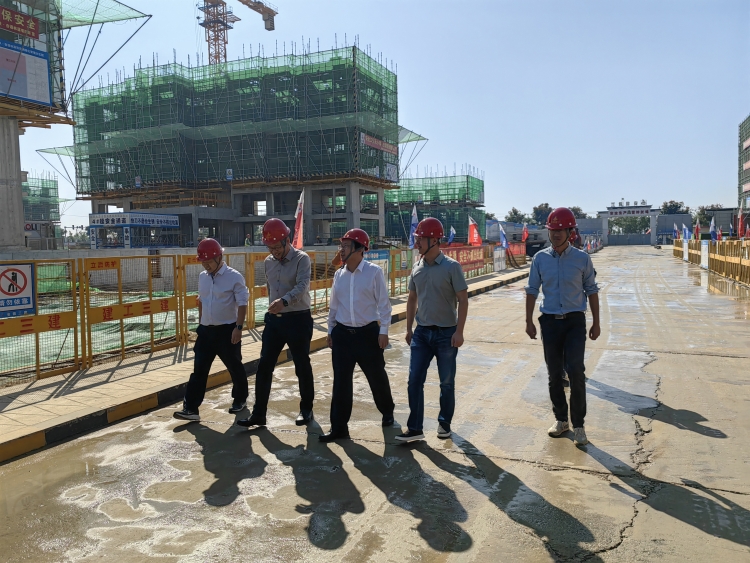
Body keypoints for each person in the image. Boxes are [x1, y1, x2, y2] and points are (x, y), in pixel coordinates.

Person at [524, 207, 600, 447]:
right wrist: (528, 321)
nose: (556, 234)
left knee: (576, 371)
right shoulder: (540, 259)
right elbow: (532, 290)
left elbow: (592, 290)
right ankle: (561, 420)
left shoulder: (582, 259)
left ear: (570, 232)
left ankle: (579, 425)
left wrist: (596, 322)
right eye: (552, 230)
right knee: (554, 374)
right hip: (550, 323)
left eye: (560, 230)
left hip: (575, 321)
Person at [396, 218, 469, 443]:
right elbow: (412, 298)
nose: (417, 243)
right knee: (414, 380)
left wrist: (459, 331)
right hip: (421, 334)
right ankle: (415, 428)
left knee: (446, 382)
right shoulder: (417, 267)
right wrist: (409, 328)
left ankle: (444, 423)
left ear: (435, 240)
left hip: (446, 334)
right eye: (417, 238)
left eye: (421, 239)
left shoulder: (451, 267)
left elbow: (463, 299)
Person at [237, 218, 315, 428]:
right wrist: (274, 309)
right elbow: (272, 288)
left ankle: (306, 409)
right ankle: (258, 414)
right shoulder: (268, 262)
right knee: (264, 366)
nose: (274, 252)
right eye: (270, 248)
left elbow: (302, 286)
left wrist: (284, 301)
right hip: (275, 322)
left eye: (277, 247)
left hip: (298, 319)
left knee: (301, 365)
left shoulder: (302, 259)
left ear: (287, 241)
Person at [319, 229, 395, 442]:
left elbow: (384, 304)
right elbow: (334, 305)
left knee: (376, 377)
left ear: (360, 249)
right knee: (341, 383)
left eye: (346, 246)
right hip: (342, 335)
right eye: (341, 246)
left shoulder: (373, 273)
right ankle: (339, 428)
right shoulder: (339, 275)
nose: (341, 250)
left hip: (367, 335)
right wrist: (330, 330)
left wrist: (384, 331)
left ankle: (387, 410)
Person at [174, 238, 250, 422]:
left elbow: (242, 303)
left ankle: (240, 399)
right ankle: (191, 408)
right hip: (206, 332)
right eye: (203, 262)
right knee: (199, 371)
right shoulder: (203, 277)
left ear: (219, 257)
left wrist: (239, 328)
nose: (206, 265)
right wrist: (201, 323)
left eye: (208, 261)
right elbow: (202, 300)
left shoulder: (234, 277)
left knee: (235, 367)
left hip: (227, 331)